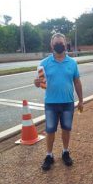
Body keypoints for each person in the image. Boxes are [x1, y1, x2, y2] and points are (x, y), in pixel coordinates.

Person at [34, 33, 83, 171]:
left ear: (65, 44)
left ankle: (65, 152)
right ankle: (49, 155)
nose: (59, 45)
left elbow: (77, 82)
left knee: (66, 129)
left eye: (61, 43)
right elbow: (39, 83)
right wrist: (36, 82)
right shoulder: (44, 63)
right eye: (56, 43)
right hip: (51, 103)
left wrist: (81, 100)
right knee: (50, 130)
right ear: (51, 45)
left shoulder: (72, 63)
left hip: (68, 103)